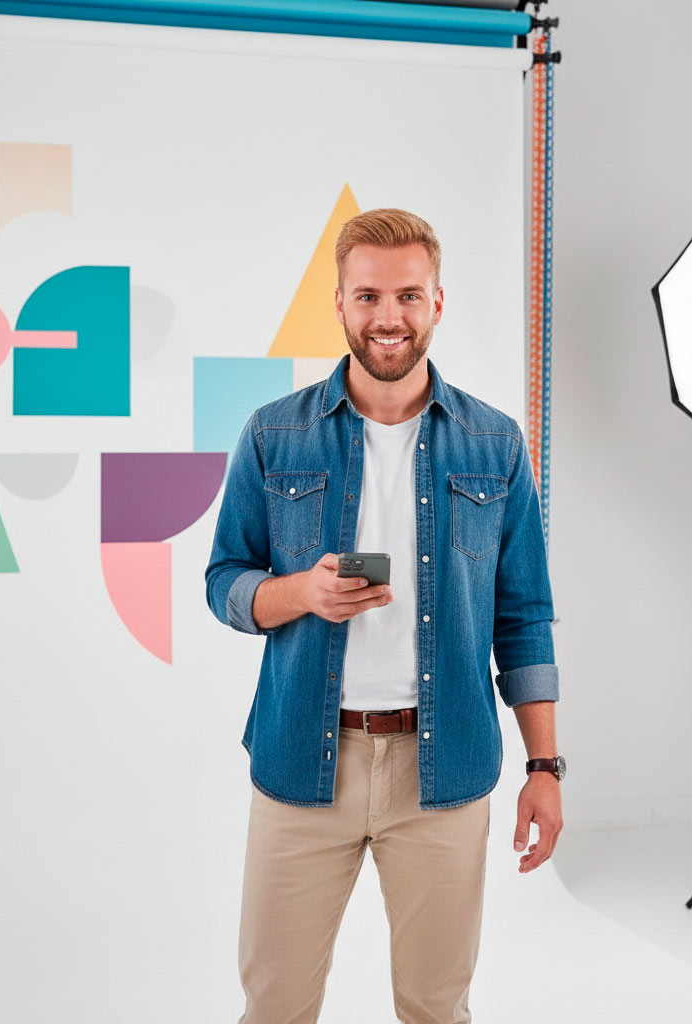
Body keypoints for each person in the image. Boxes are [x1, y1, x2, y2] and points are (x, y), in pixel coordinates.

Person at [205, 208, 563, 1024]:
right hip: (302, 762)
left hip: (443, 769)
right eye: (368, 296)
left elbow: (525, 618)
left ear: (438, 302)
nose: (388, 317)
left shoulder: (495, 445)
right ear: (339, 303)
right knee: (274, 1006)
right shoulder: (274, 435)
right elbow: (225, 581)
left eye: (408, 295)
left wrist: (544, 768)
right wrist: (303, 593)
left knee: (437, 1007)